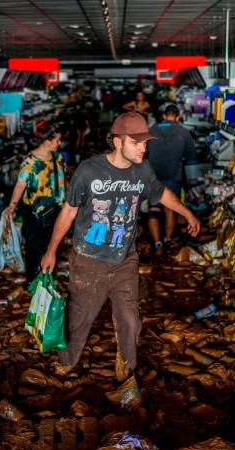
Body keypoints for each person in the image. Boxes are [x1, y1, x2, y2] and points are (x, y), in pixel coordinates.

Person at [40, 112, 200, 382]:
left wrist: (188, 213)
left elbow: (161, 194)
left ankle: (126, 369)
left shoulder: (143, 170)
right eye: (136, 143)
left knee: (129, 319)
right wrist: (51, 250)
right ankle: (67, 361)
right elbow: (68, 212)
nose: (143, 148)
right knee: (79, 319)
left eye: (144, 143)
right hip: (89, 260)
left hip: (125, 258)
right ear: (117, 142)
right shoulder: (89, 171)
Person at [5, 121, 66, 282]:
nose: (60, 143)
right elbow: (20, 184)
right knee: (33, 247)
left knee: (51, 246)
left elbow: (62, 181)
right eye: (57, 140)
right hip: (34, 212)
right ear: (47, 141)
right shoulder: (30, 161)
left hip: (54, 210)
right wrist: (12, 205)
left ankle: (47, 280)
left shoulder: (58, 158)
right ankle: (32, 281)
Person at [146, 104, 197, 253]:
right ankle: (167, 239)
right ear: (178, 116)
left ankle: (158, 244)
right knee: (170, 208)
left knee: (154, 209)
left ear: (163, 116)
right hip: (173, 176)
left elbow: (144, 152)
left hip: (153, 175)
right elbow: (191, 156)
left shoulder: (152, 130)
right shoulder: (184, 132)